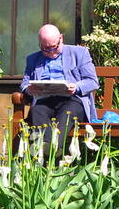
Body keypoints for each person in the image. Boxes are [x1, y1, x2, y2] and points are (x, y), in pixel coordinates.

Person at [19, 24, 99, 154]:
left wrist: (77, 86)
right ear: (40, 43)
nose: (50, 52)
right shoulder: (33, 59)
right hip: (44, 99)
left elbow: (93, 81)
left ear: (61, 38)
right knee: (36, 111)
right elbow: (25, 82)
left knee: (67, 113)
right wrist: (28, 89)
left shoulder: (79, 53)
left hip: (72, 99)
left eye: (54, 47)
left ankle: (47, 152)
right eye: (45, 49)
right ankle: (53, 153)